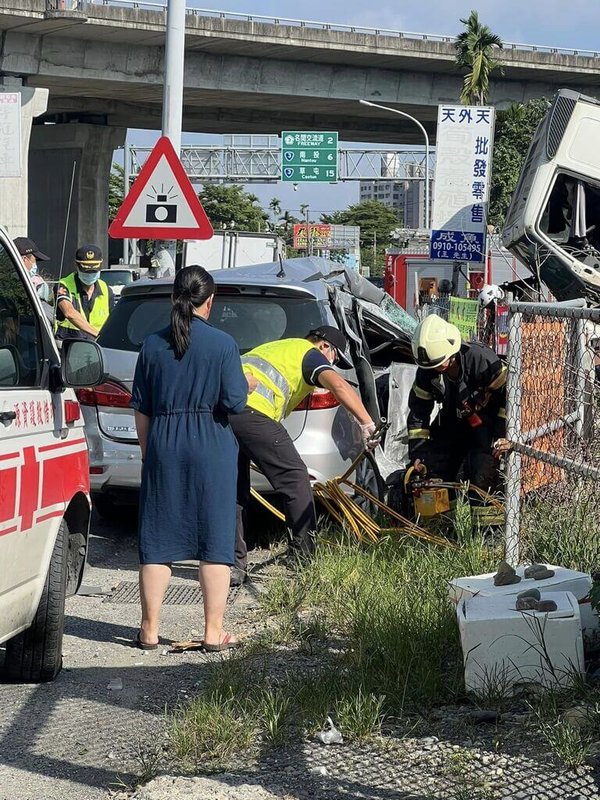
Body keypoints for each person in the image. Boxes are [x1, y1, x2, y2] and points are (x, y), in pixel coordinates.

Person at [131, 265, 249, 650]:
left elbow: (142, 408)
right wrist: (245, 383)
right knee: (214, 541)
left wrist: (151, 454)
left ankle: (149, 631)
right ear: (209, 302)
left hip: (164, 443)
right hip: (211, 447)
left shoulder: (151, 345)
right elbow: (233, 402)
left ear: (174, 298)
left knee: (157, 540)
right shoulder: (223, 345)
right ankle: (213, 633)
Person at [229, 325, 378, 585]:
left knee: (235, 490)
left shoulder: (273, 348)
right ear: (324, 346)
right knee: (296, 478)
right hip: (252, 413)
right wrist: (366, 423)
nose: (331, 363)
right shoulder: (308, 353)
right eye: (333, 357)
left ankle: (233, 565)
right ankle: (304, 558)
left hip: (225, 415)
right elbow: (339, 386)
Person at [406, 314, 507, 525]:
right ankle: (442, 531)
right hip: (452, 423)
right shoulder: (427, 370)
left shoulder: (481, 360)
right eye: (431, 367)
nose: (435, 370)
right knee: (435, 472)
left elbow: (510, 400)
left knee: (483, 476)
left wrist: (501, 435)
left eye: (439, 364)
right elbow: (419, 412)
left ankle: (488, 542)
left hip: (486, 426)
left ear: (452, 352)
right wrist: (418, 453)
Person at [55, 244, 115, 340]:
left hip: (97, 348)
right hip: (69, 347)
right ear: (76, 265)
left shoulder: (106, 289)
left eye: (94, 271)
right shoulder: (63, 285)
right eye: (86, 271)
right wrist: (99, 335)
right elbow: (69, 312)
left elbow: (113, 321)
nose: (90, 274)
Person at [13, 236, 54, 324]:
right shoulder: (19, 285)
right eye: (35, 260)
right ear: (24, 259)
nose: (35, 265)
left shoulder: (7, 280)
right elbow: (45, 314)